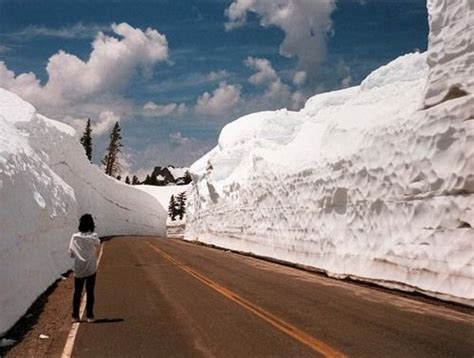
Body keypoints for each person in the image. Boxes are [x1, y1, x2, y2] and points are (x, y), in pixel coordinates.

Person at [68, 214, 101, 323]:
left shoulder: (74, 237)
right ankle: (90, 316)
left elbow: (71, 254)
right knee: (90, 292)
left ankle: (75, 316)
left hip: (79, 269)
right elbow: (98, 244)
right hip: (91, 268)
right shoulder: (94, 236)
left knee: (77, 292)